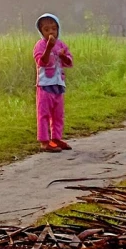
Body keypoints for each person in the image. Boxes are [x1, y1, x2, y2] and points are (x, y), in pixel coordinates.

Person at [34, 13, 74, 152]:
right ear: (41, 32)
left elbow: (69, 62)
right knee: (44, 114)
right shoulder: (40, 45)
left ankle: (56, 138)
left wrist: (64, 56)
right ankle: (45, 141)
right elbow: (42, 61)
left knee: (58, 114)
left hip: (58, 84)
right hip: (45, 85)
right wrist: (49, 48)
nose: (51, 32)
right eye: (46, 29)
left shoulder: (61, 44)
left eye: (54, 29)